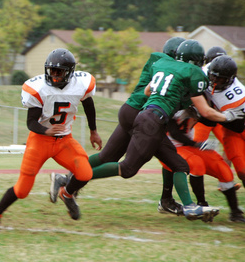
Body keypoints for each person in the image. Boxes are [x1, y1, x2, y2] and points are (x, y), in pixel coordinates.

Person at [74, 40, 244, 222]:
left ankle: (186, 206)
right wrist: (226, 117)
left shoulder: (165, 67)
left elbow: (149, 90)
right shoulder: (191, 76)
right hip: (151, 119)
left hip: (144, 115)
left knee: (178, 165)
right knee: (128, 167)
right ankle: (75, 180)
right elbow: (204, 111)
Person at [50, 36, 187, 214]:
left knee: (106, 158)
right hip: (144, 117)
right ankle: (169, 201)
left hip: (131, 111)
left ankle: (66, 178)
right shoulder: (168, 67)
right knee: (166, 161)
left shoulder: (159, 62)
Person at [0, 48, 102, 231]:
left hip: (64, 140)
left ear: (69, 73)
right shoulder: (39, 89)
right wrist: (46, 131)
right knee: (22, 191)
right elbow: (31, 122)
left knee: (85, 173)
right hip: (40, 140)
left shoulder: (81, 84)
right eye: (51, 70)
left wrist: (93, 131)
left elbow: (89, 105)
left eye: (59, 71)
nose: (54, 75)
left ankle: (67, 194)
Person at [162, 106, 245, 222]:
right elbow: (174, 132)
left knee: (222, 169)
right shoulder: (175, 102)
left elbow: (209, 119)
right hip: (168, 148)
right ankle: (202, 204)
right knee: (197, 163)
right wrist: (196, 144)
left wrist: (226, 116)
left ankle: (235, 212)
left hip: (187, 146)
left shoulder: (201, 99)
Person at [201, 56, 245, 203]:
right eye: (213, 76)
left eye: (220, 79)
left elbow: (238, 126)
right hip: (230, 130)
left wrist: (220, 116)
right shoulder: (204, 71)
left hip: (238, 126)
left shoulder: (236, 95)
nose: (215, 81)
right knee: (242, 171)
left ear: (230, 79)